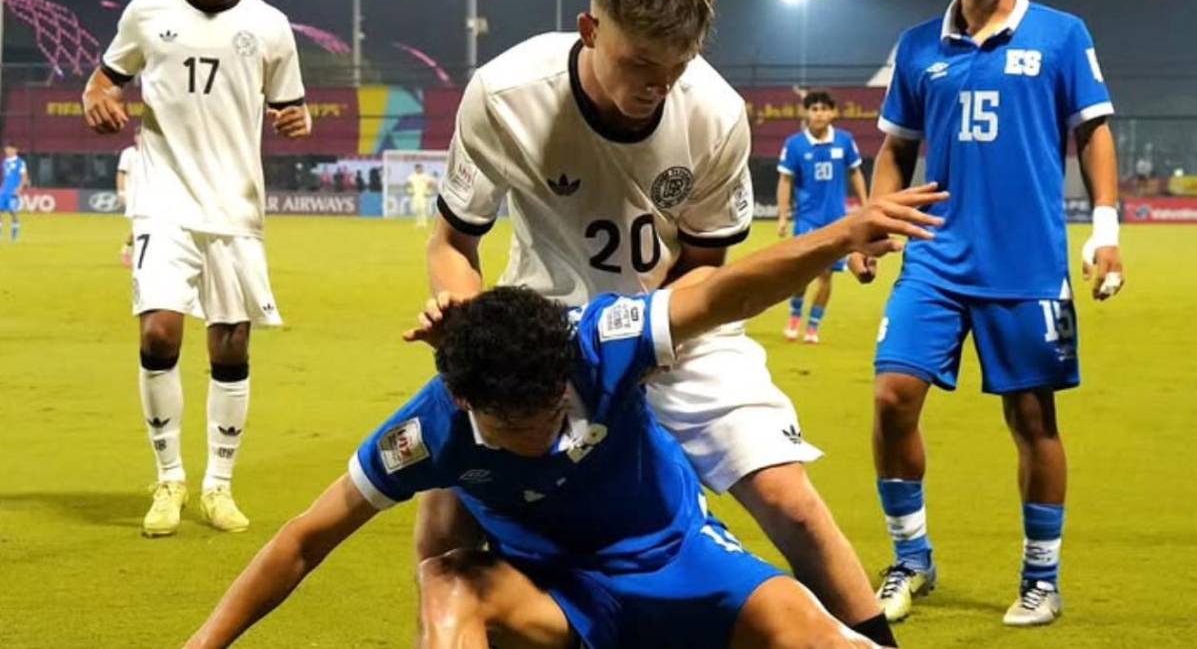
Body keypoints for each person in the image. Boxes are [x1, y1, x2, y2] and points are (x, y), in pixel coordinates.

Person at [185, 184, 947, 649]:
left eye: (550, 413)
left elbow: (719, 295)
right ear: (466, 402)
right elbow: (303, 541)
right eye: (517, 430)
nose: (543, 436)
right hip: (558, 599)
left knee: (816, 635)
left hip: (683, 565)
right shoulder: (430, 431)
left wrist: (836, 239)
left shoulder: (601, 342)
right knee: (447, 583)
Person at [423, 0, 892, 643]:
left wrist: (639, 338)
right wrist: (465, 320)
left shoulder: (714, 111)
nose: (657, 86)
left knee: (791, 503)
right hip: (548, 343)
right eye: (639, 61)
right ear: (590, 29)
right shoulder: (505, 95)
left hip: (681, 331)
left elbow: (707, 266)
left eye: (676, 66)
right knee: (454, 513)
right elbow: (454, 241)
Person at [850, 0, 1125, 626]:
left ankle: (1042, 576)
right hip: (935, 259)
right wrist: (875, 222)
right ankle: (911, 559)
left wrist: (1105, 230)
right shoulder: (917, 47)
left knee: (1032, 420)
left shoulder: (1062, 36)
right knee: (891, 398)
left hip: (1028, 264)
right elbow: (895, 150)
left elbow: (1094, 131)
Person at [81, 0, 311, 538]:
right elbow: (104, 79)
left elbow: (287, 107)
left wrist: (295, 121)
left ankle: (218, 485)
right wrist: (96, 99)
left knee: (230, 344)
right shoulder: (148, 12)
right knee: (159, 330)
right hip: (163, 196)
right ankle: (169, 480)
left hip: (234, 206)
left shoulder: (269, 26)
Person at [776, 91, 868, 343]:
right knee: (802, 273)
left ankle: (813, 326)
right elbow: (785, 180)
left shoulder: (845, 141)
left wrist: (865, 204)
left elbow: (855, 173)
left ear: (833, 113)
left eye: (824, 109)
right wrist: (783, 216)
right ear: (807, 113)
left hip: (837, 220)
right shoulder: (794, 144)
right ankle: (795, 315)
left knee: (827, 275)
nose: (819, 113)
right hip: (807, 220)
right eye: (814, 109)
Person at [117, 129, 142, 266]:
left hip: (148, 195)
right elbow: (121, 173)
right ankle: (128, 250)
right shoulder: (128, 153)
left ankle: (128, 250)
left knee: (141, 225)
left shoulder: (150, 154)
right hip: (133, 196)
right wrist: (121, 192)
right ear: (135, 137)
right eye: (139, 135)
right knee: (138, 226)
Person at [0, 143, 29, 241]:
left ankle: (14, 234)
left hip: (13, 191)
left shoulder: (20, 162)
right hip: (3, 190)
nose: (7, 151)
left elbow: (24, 177)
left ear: (15, 150)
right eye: (6, 149)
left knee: (12, 212)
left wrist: (19, 189)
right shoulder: (4, 162)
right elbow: (6, 177)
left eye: (9, 149)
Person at [406, 162, 435, 227]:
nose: (419, 169)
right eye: (417, 168)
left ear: (422, 168)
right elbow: (408, 184)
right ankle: (418, 223)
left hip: (423, 195)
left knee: (423, 209)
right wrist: (410, 191)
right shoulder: (412, 176)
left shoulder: (425, 176)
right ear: (415, 169)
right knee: (416, 209)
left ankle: (424, 223)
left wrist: (428, 191)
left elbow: (431, 183)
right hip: (415, 195)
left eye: (420, 168)